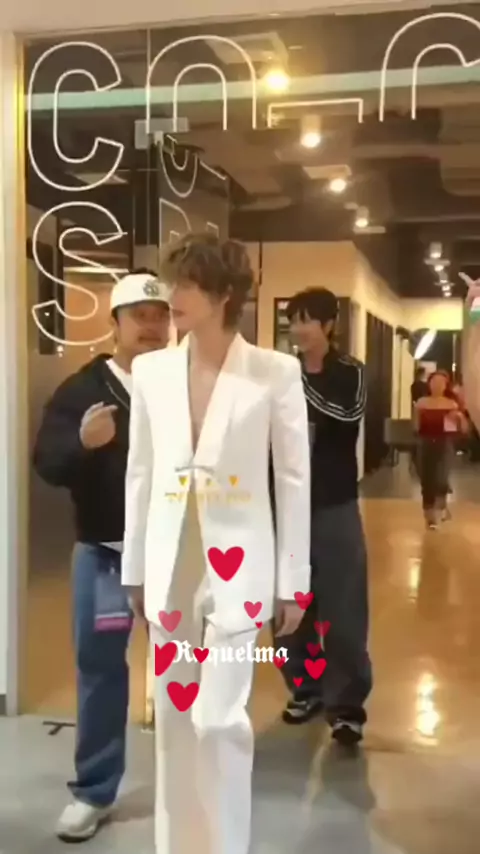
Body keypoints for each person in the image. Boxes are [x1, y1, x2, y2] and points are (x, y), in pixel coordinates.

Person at [121, 233, 311, 854]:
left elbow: (293, 478)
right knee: (175, 721)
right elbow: (141, 472)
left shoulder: (274, 372)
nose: (171, 296)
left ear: (224, 293)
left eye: (187, 285)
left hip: (241, 565)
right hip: (170, 561)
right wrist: (134, 568)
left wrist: (294, 581)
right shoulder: (151, 372)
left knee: (219, 719)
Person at [33, 270, 171, 842]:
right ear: (115, 323)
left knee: (189, 668)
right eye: (139, 316)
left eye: (160, 315)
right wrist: (82, 446)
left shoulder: (184, 382)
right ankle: (94, 791)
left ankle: (193, 785)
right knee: (101, 672)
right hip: (107, 557)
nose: (151, 326)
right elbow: (47, 462)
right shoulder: (83, 388)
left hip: (175, 556)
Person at [274, 286, 372, 746]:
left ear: (329, 325)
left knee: (343, 608)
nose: (297, 329)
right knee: (288, 606)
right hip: (286, 506)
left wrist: (293, 389)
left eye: (306, 320)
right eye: (292, 321)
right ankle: (304, 689)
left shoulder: (349, 372)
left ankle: (347, 707)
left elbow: (346, 415)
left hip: (335, 505)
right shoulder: (282, 372)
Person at [414, 370, 468, 529]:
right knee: (427, 480)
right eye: (433, 382)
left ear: (446, 385)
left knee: (441, 478)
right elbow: (415, 427)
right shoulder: (421, 402)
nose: (437, 385)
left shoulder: (451, 404)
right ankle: (430, 517)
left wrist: (459, 417)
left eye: (441, 382)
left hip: (444, 443)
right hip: (425, 443)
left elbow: (462, 429)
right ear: (429, 384)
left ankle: (440, 509)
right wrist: (417, 418)